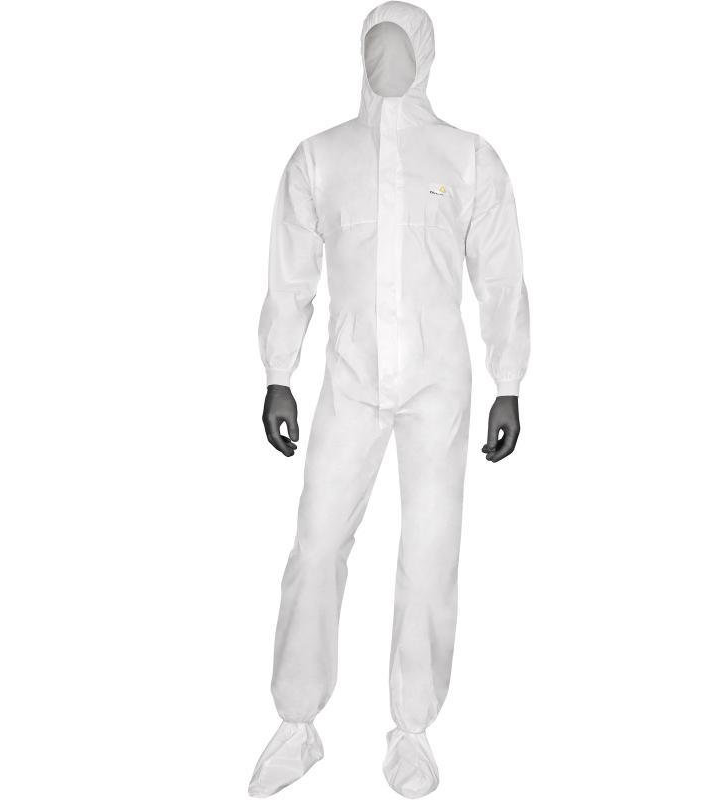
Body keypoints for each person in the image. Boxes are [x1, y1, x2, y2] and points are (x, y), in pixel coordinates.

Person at [249, 2, 529, 796]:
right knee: (316, 543)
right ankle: (296, 722)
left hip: (439, 386)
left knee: (431, 551)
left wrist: (509, 381)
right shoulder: (319, 158)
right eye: (375, 43)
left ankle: (413, 733)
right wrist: (278, 372)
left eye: (401, 45)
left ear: (427, 56)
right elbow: (291, 273)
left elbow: (500, 275)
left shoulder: (469, 159)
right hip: (348, 380)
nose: (387, 59)